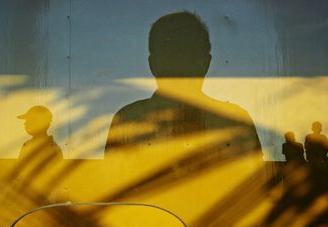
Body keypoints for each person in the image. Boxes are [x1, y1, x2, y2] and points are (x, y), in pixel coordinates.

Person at [105, 12, 262, 160]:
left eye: (187, 55)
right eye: (171, 54)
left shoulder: (128, 121)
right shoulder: (126, 122)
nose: (179, 65)